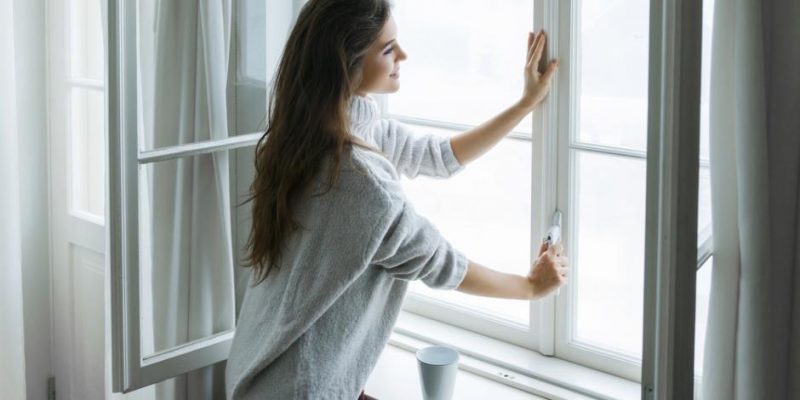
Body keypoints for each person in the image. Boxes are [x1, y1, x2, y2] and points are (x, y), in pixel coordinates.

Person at [225, 0, 567, 398]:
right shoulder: (360, 182)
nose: (402, 55)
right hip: (301, 387)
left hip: (260, 368)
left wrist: (525, 103)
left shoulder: (310, 132)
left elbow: (439, 156)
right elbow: (440, 262)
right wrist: (530, 287)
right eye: (388, 49)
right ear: (347, 62)